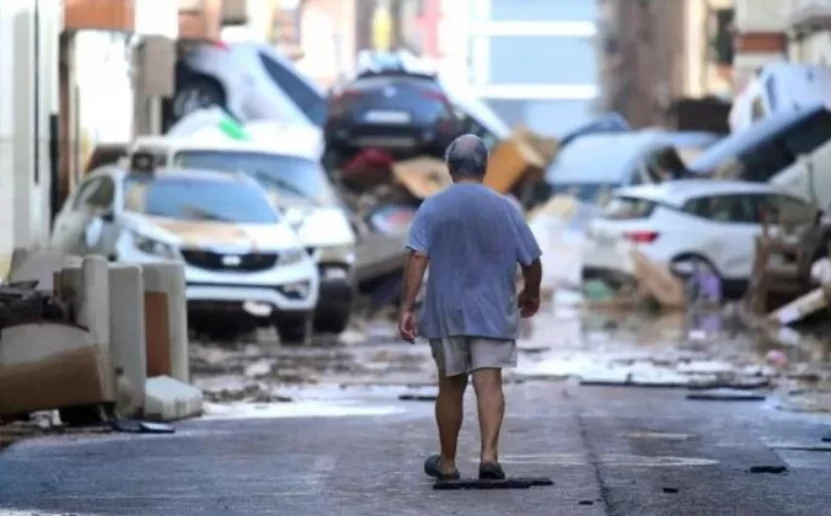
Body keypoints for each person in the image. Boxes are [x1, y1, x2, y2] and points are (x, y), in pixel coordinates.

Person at [398, 134, 543, 481]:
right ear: (485, 167)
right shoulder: (505, 207)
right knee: (489, 382)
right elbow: (532, 260)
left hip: (446, 310)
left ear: (449, 168)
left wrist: (407, 306)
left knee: (450, 384)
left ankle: (447, 464)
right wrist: (532, 293)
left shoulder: (433, 206)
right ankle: (489, 457)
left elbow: (418, 256)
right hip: (493, 309)